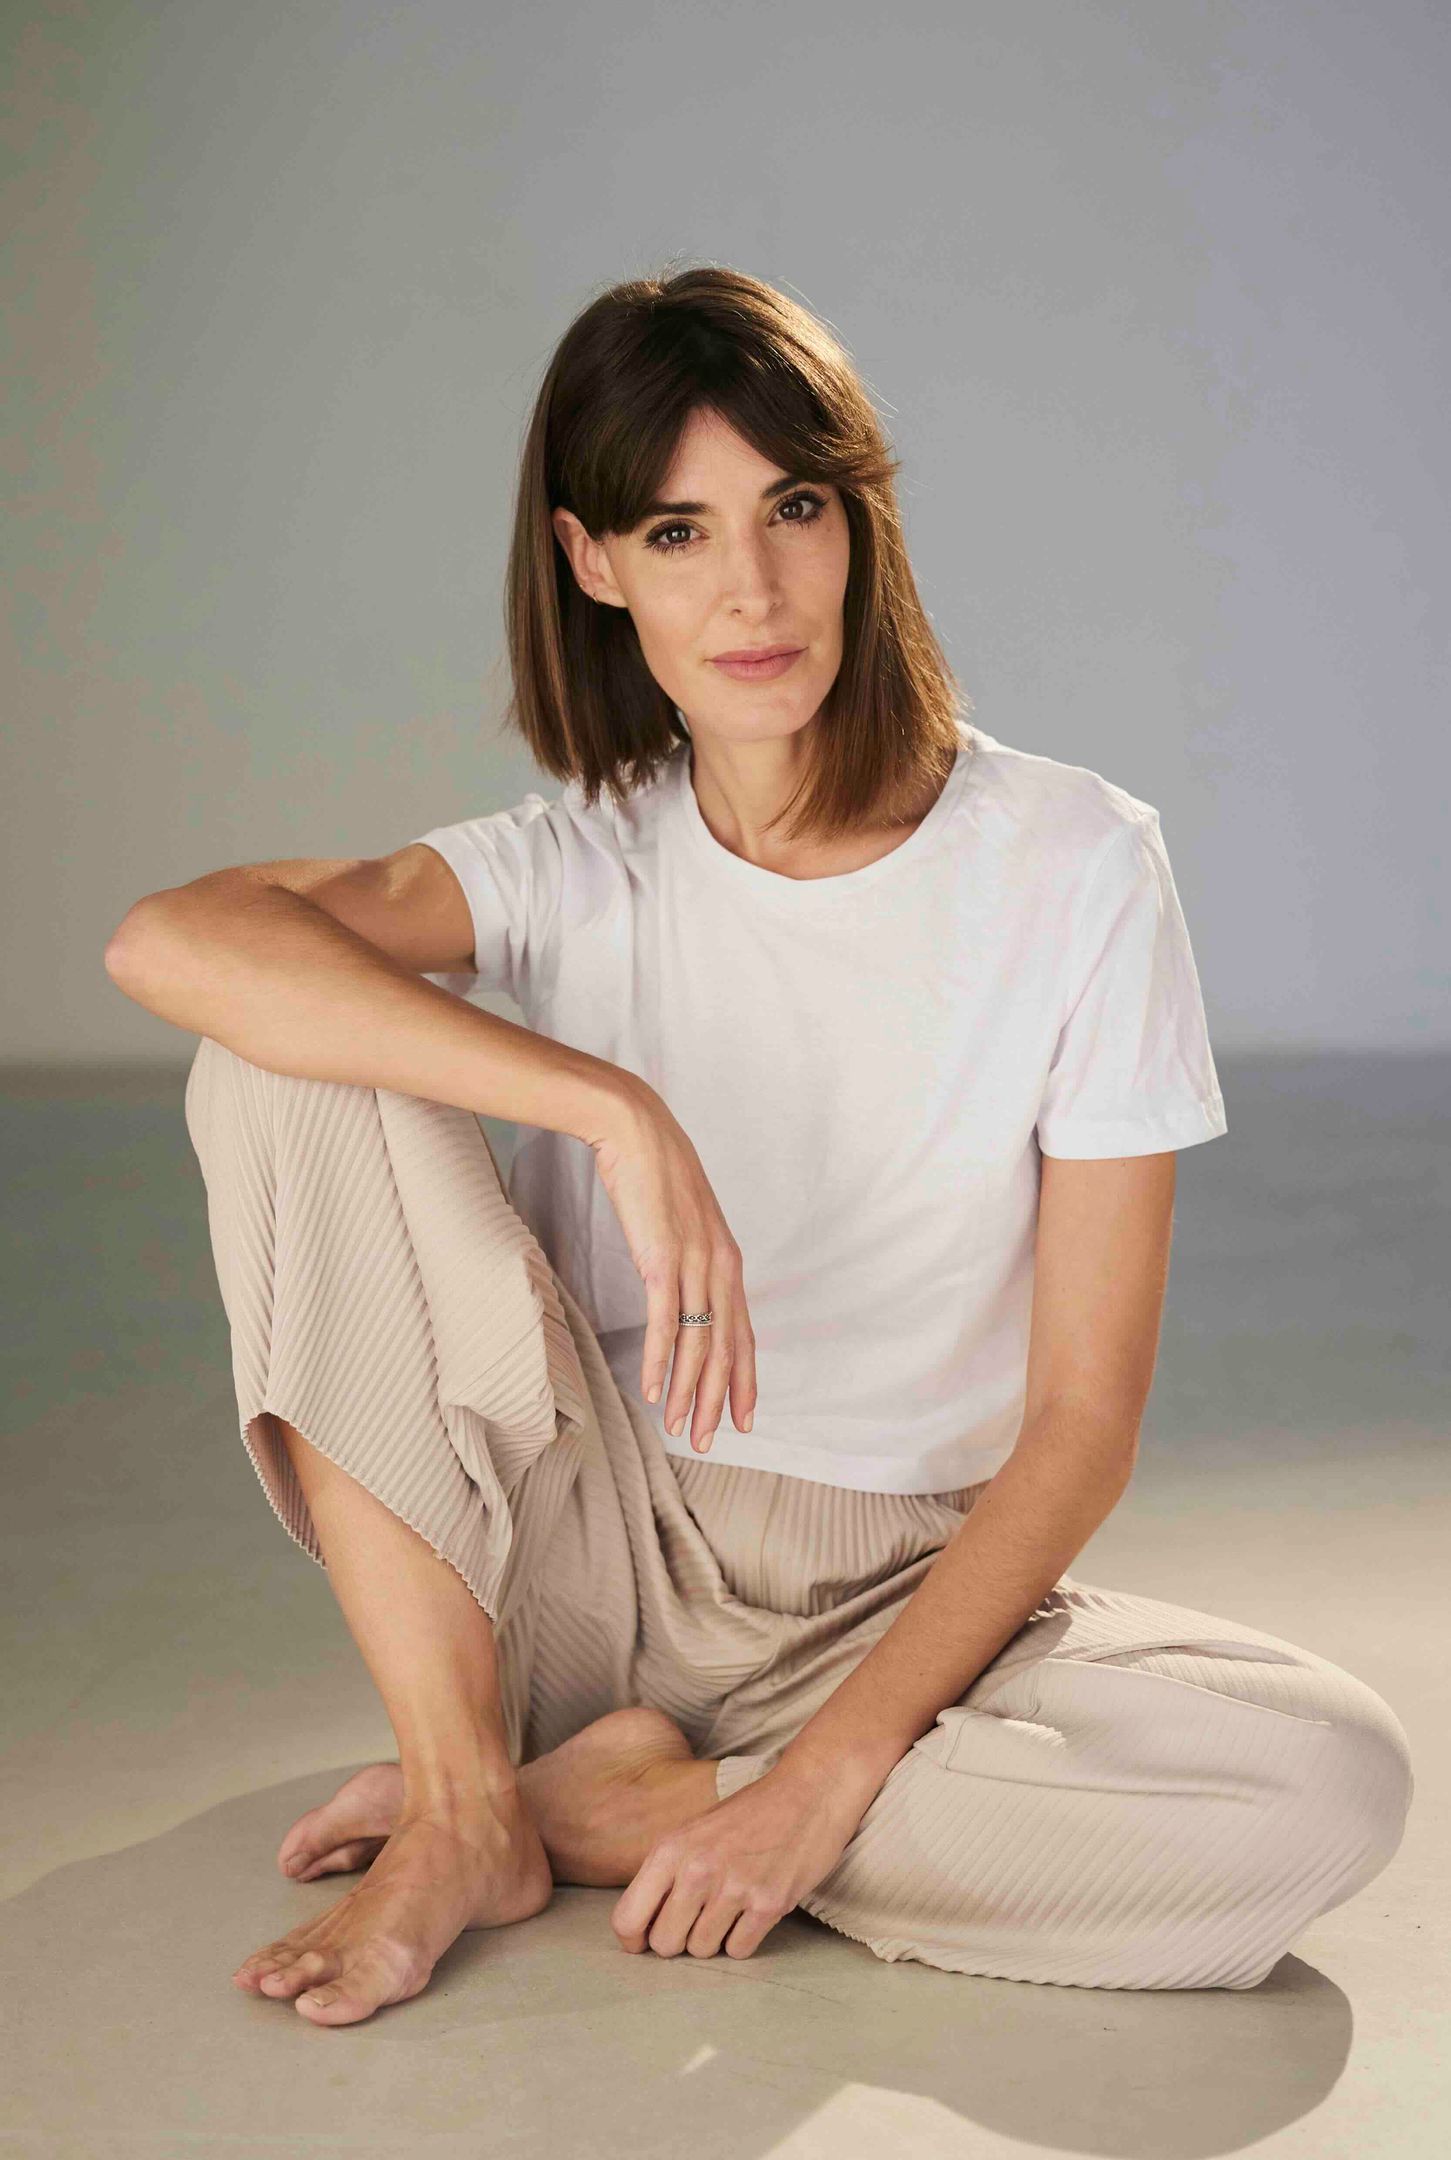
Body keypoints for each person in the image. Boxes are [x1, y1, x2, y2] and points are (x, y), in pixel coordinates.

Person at [105, 265, 1413, 2030]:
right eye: (678, 530)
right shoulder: (579, 858)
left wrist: (810, 1785)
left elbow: (1085, 1420)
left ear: (861, 525)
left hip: (900, 1600)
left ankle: (606, 1813)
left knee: (1326, 1780)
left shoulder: (1074, 865)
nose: (752, 588)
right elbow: (172, 943)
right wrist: (610, 1106)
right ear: (592, 562)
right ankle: (474, 1791)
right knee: (278, 1057)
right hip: (582, 1560)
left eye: (794, 509)